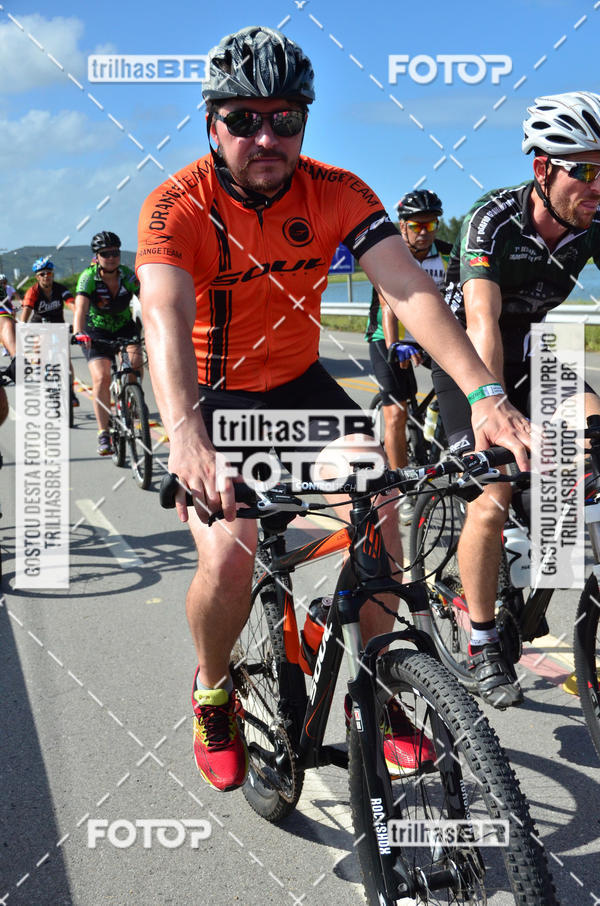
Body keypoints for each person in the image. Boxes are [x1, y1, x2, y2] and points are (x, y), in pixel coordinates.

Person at [136, 25, 530, 793]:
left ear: (305, 123)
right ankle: (213, 691)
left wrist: (486, 395)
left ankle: (381, 693)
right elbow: (163, 314)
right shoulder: (176, 204)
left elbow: (408, 288)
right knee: (230, 551)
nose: (266, 137)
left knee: (380, 506)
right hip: (213, 401)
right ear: (212, 124)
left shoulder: (338, 192)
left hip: (297, 388)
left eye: (285, 119)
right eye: (244, 119)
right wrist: (184, 434)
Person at [433, 90, 600, 708]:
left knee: (594, 446)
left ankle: (552, 555)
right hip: (469, 357)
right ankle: (481, 639)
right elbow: (482, 317)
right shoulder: (494, 219)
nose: (598, 186)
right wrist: (492, 404)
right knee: (495, 489)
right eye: (585, 171)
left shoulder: (593, 221)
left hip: (536, 352)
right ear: (542, 169)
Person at [365, 190, 452, 522]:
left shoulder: (447, 255)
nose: (425, 232)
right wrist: (395, 345)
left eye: (431, 224)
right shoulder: (389, 254)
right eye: (417, 226)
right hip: (389, 337)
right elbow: (388, 304)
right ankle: (399, 490)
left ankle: (436, 430)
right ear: (402, 226)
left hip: (429, 335)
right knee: (397, 414)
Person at [73, 232, 142, 456]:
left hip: (124, 327)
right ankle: (103, 432)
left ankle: (133, 402)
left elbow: (147, 300)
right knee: (101, 378)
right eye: (105, 254)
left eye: (115, 253)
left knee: (135, 364)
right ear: (97, 256)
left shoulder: (128, 276)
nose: (111, 258)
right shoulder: (88, 277)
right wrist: (78, 332)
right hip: (96, 331)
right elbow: (80, 308)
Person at [21, 257, 78, 409]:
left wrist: (78, 321)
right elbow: (26, 312)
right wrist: (23, 326)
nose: (46, 276)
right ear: (37, 277)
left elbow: (72, 304)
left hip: (58, 325)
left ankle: (71, 392)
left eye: (49, 273)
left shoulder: (60, 289)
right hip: (38, 325)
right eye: (42, 274)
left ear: (53, 274)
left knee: (66, 360)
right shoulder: (33, 291)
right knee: (39, 349)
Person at [0, 273, 20, 357]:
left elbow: (16, 296)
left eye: (4, 282)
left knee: (13, 322)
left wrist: (20, 303)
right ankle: (5, 347)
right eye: (1, 282)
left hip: (7, 308)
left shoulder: (8, 288)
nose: (3, 284)